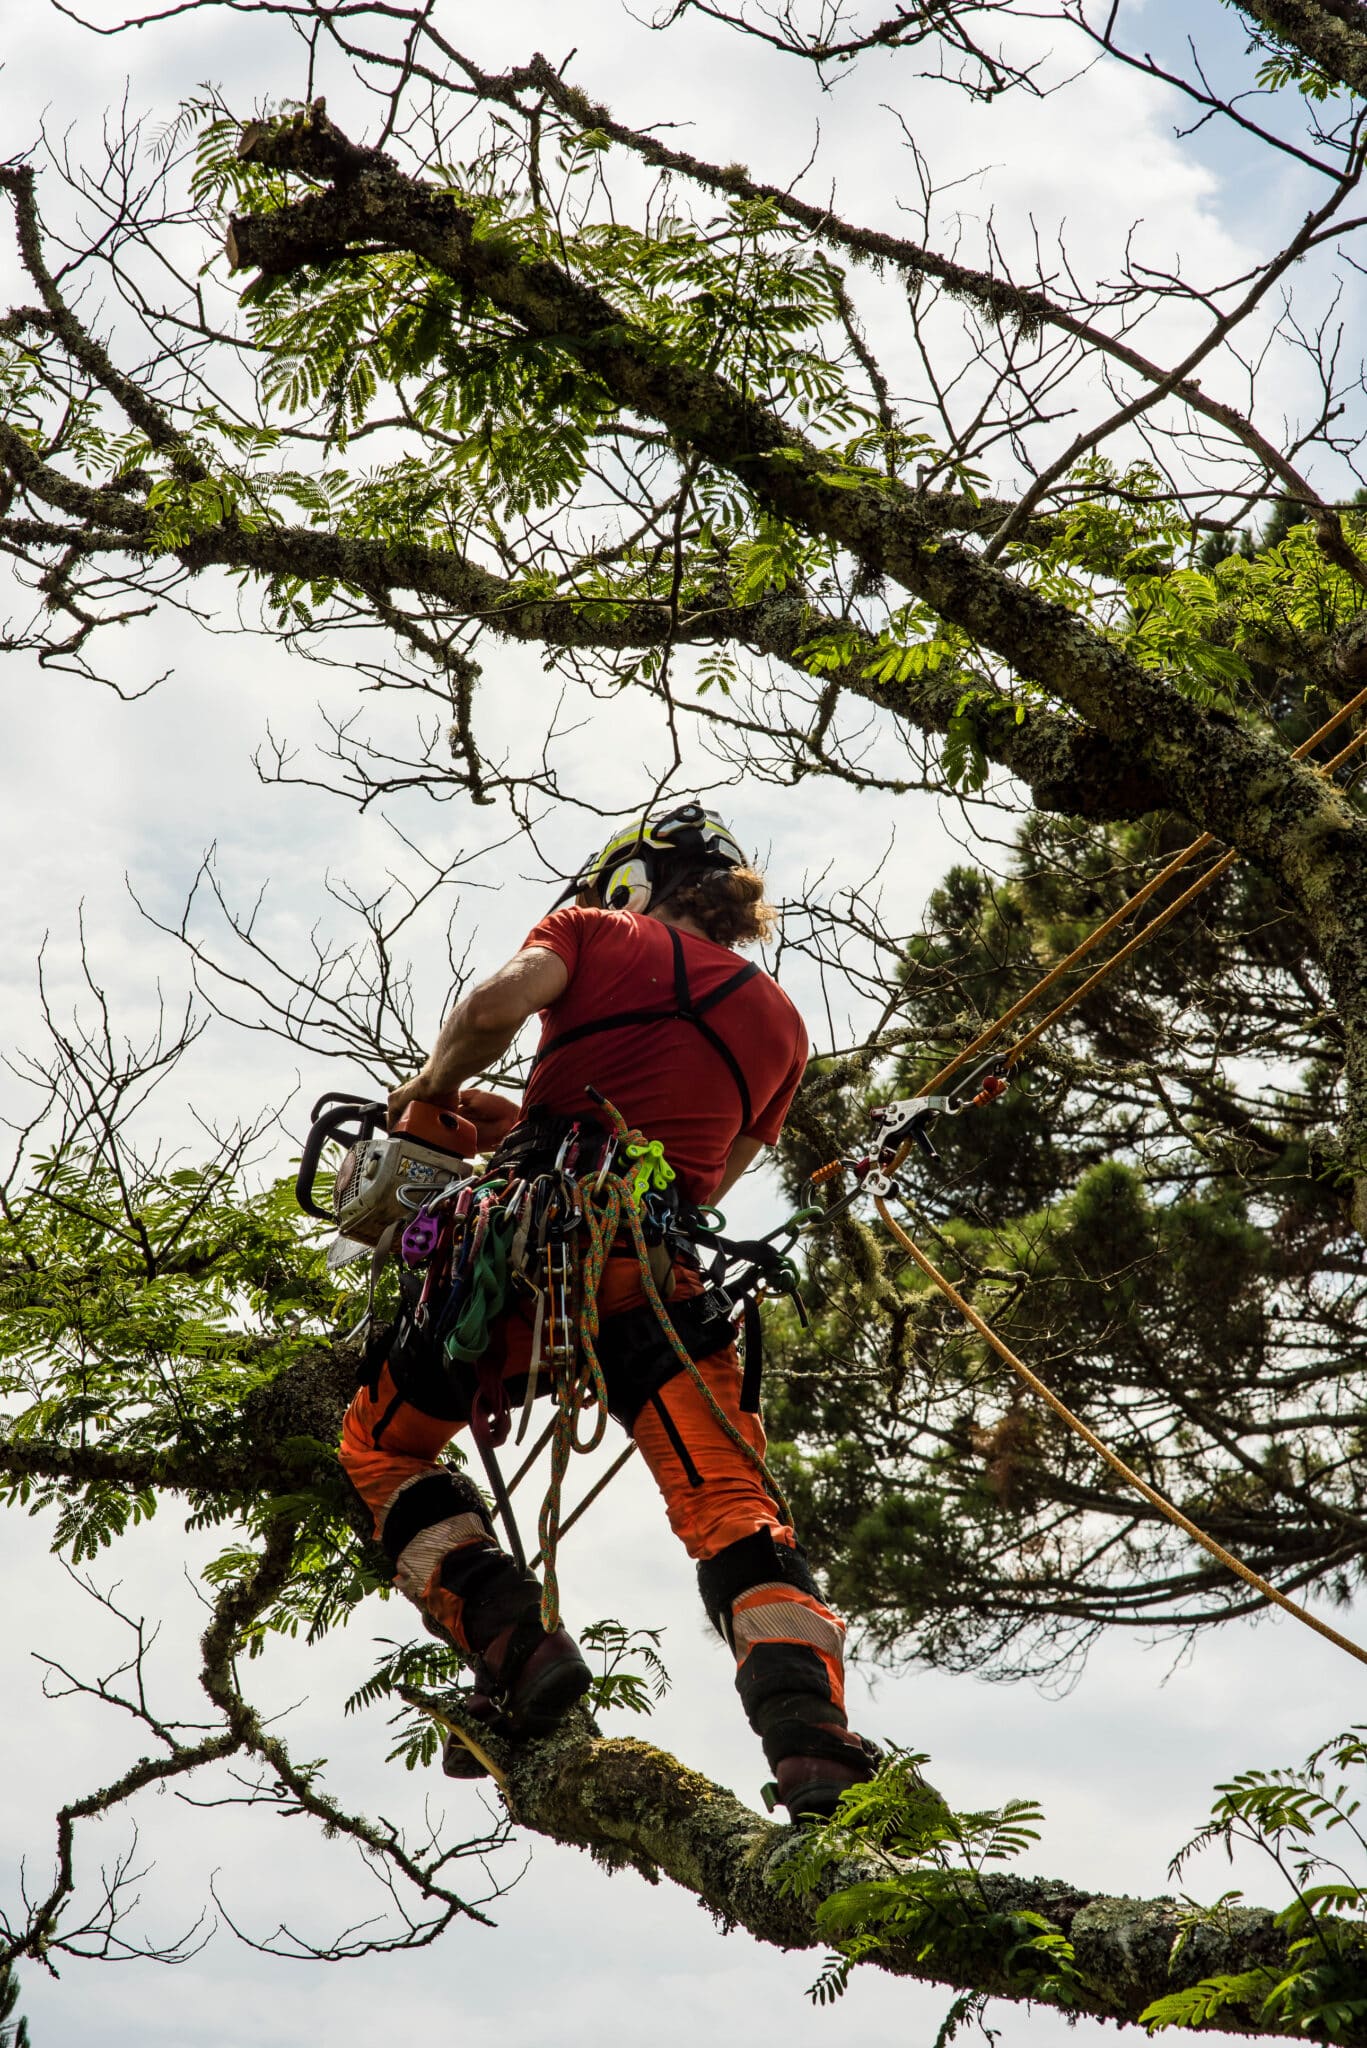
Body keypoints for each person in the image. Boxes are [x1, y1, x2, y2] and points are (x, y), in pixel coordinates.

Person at [337, 804, 878, 1822]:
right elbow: (704, 1178)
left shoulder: (594, 934)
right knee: (734, 1509)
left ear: (630, 883)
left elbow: (494, 1006)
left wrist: (433, 1087)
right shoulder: (783, 1026)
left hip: (522, 1265)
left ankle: (512, 1637)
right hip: (655, 1280)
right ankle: (813, 1746)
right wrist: (531, 1124)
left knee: (379, 1446)